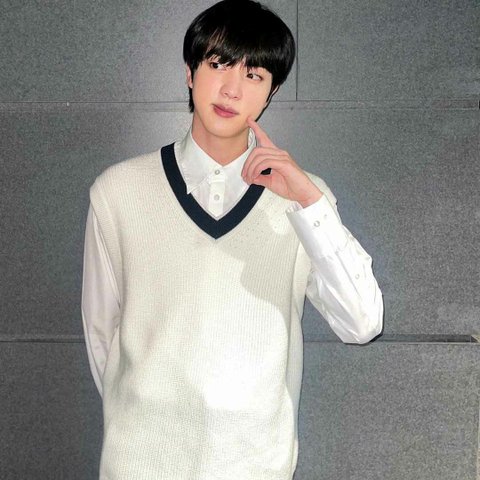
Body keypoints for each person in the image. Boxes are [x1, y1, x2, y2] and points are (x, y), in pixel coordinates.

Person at [81, 0, 383, 479]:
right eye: (219, 64)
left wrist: (308, 201)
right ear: (190, 71)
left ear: (271, 92)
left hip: (255, 466)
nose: (231, 89)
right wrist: (143, 422)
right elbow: (102, 335)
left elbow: (362, 323)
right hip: (140, 463)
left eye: (254, 75)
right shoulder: (118, 191)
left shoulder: (306, 200)